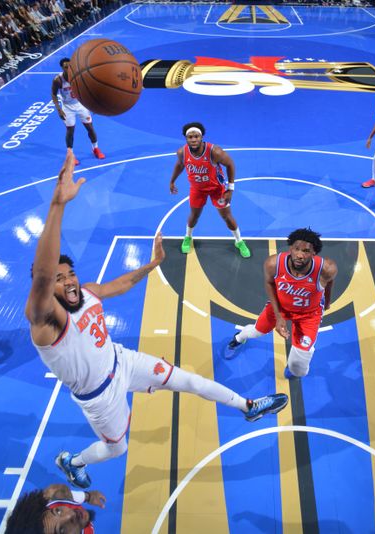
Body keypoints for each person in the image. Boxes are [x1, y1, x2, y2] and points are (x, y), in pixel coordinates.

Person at [26, 150, 288, 489]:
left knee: (188, 380)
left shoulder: (86, 291)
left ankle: (249, 406)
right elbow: (44, 276)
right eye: (60, 279)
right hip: (99, 396)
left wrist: (152, 265)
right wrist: (58, 205)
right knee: (116, 448)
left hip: (122, 361)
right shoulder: (44, 321)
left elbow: (116, 285)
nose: (69, 281)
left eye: (70, 274)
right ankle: (73, 461)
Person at [224, 228, 337, 380]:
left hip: (309, 315)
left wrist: (327, 302)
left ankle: (295, 364)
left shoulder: (326, 269)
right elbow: (270, 284)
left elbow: (329, 283)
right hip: (280, 307)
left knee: (299, 371)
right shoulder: (273, 264)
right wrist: (278, 316)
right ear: (290, 248)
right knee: (256, 331)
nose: (299, 255)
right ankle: (238, 339)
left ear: (313, 253)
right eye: (296, 249)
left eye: (305, 251)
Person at [168, 122, 251, 258]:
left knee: (227, 217)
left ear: (201, 137)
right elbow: (180, 164)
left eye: (196, 136)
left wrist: (230, 189)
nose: (193, 140)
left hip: (216, 189)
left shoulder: (215, 152)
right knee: (194, 216)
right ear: (186, 138)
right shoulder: (182, 152)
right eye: (190, 137)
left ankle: (239, 241)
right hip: (197, 189)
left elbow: (230, 164)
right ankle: (188, 237)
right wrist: (172, 181)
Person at [51, 57, 104, 166]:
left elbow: (87, 89)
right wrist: (59, 109)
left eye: (70, 66)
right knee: (70, 131)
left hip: (81, 104)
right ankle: (70, 155)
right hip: (67, 107)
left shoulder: (78, 77)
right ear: (62, 67)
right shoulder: (58, 80)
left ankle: (96, 149)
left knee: (90, 128)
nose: (68, 69)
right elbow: (53, 94)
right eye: (66, 67)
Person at [6, 482, 105, 534]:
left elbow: (57, 490)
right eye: (62, 530)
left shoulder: (55, 498)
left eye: (57, 511)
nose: (71, 514)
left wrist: (87, 496)